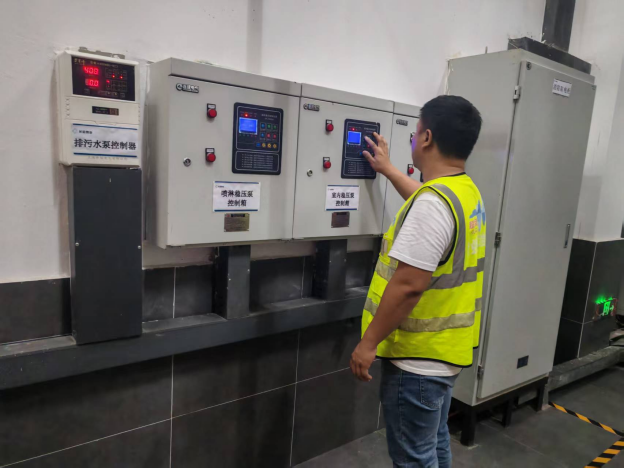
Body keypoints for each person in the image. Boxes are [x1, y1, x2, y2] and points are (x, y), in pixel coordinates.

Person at [350, 95, 485, 468]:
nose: (412, 139)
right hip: (445, 355)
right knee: (434, 444)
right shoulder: (464, 192)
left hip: (416, 363)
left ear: (426, 138)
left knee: (414, 458)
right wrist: (389, 170)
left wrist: (368, 343)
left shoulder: (433, 204)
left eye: (414, 132)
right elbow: (426, 204)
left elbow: (409, 285)